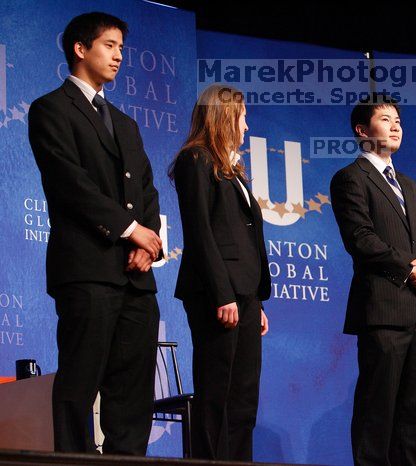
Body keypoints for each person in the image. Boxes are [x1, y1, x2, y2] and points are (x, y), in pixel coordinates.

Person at [27, 12, 162, 454]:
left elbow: (146, 187)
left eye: (122, 47)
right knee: (79, 384)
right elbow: (70, 184)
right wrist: (130, 231)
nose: (119, 55)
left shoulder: (125, 122)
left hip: (136, 277)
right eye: (109, 45)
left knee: (134, 391)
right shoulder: (50, 109)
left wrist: (148, 242)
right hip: (87, 267)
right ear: (80, 49)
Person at [330, 94, 416, 466]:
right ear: (362, 130)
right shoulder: (350, 178)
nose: (396, 126)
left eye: (398, 120)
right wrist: (411, 269)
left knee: (415, 419)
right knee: (377, 414)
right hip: (383, 308)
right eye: (385, 119)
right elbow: (361, 239)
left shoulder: (409, 185)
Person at [170, 84, 271, 461]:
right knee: (217, 393)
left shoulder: (234, 171)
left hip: (245, 295)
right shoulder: (194, 160)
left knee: (244, 397)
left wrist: (255, 300)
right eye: (243, 117)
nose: (246, 126)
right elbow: (200, 233)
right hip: (217, 294)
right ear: (225, 116)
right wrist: (222, 294)